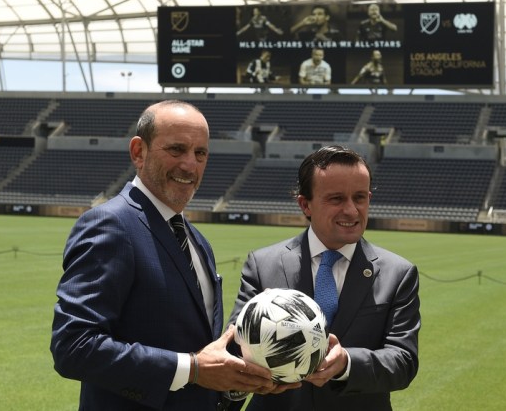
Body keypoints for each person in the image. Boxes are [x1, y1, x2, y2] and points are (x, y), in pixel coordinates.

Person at [51, 100, 285, 410]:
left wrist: (240, 382)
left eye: (200, 153)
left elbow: (205, 359)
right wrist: (193, 369)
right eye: (176, 150)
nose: (190, 165)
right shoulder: (110, 224)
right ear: (139, 152)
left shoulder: (198, 242)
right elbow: (74, 347)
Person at [226, 145, 421, 411]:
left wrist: (346, 364)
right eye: (337, 199)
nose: (352, 210)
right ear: (305, 204)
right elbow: (236, 344)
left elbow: (403, 361)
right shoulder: (262, 265)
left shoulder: (398, 273)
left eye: (360, 198)